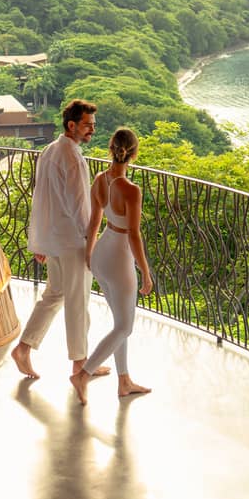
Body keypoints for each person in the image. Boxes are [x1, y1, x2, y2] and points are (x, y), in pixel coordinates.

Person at [11, 99, 110, 379]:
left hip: (54, 239)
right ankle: (80, 365)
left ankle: (23, 347)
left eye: (93, 125)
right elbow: (80, 206)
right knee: (77, 301)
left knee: (55, 295)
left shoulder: (50, 150)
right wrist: (91, 241)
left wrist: (40, 242)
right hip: (72, 241)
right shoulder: (72, 157)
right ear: (72, 125)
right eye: (87, 125)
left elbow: (41, 199)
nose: (92, 130)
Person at [69, 128, 153, 404]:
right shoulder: (131, 190)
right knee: (124, 327)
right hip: (118, 256)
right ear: (134, 153)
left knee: (119, 322)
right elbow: (134, 234)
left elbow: (94, 222)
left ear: (111, 148)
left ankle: (124, 380)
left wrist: (90, 254)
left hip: (101, 254)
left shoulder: (100, 180)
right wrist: (146, 272)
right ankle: (84, 373)